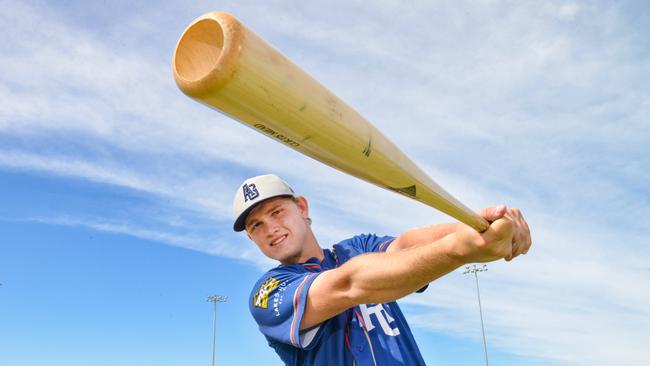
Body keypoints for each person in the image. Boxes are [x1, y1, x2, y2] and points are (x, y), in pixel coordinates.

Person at [233, 174, 531, 365]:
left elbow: (406, 245)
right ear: (251, 237)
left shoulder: (355, 248)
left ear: (302, 208)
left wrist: (481, 224)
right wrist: (461, 248)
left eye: (276, 212)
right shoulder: (269, 291)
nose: (270, 229)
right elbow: (350, 284)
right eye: (256, 225)